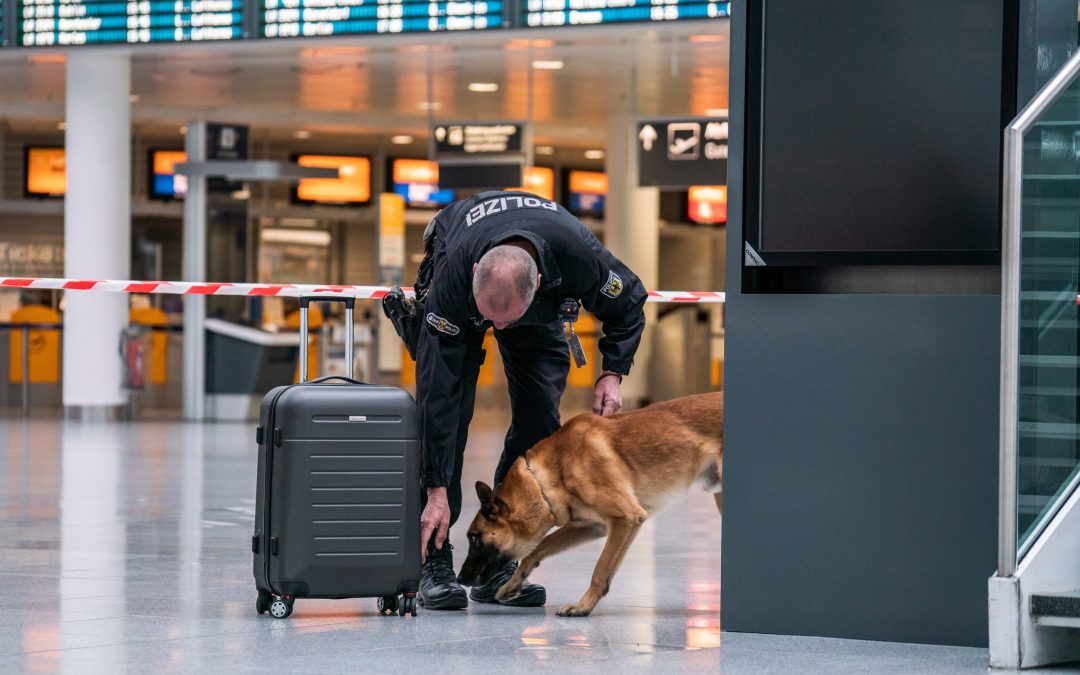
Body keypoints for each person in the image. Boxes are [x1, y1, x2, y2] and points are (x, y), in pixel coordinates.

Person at [384, 190, 647, 610]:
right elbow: (438, 399)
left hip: (538, 307)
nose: (498, 327)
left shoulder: (580, 257)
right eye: (491, 318)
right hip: (459, 282)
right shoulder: (455, 278)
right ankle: (434, 559)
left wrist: (612, 373)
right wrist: (435, 488)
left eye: (506, 320)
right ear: (473, 274)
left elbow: (630, 301)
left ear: (538, 284)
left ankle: (498, 561)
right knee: (447, 416)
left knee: (540, 420)